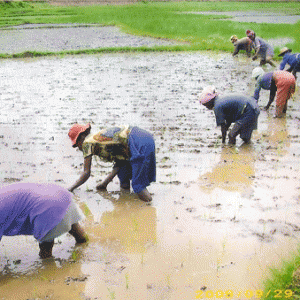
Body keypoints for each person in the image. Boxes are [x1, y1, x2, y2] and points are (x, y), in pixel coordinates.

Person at [68, 124, 156, 202]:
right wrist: (104, 184)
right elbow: (119, 164)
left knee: (138, 185)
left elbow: (86, 173)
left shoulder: (87, 143)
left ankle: (149, 206)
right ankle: (126, 204)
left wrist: (70, 188)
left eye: (77, 144)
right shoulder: (98, 139)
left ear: (82, 136)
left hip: (137, 142)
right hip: (143, 137)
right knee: (123, 174)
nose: (78, 148)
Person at [0, 183, 87, 259]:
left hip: (47, 209)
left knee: (45, 253)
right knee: (76, 231)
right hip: (61, 195)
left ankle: (49, 268)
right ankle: (84, 244)